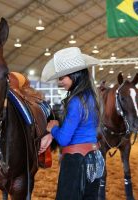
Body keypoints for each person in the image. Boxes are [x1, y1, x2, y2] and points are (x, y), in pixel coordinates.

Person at [39, 47, 104, 200]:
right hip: (95, 158)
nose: (60, 82)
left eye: (62, 78)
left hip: (76, 161)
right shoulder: (93, 97)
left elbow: (63, 139)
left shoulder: (75, 101)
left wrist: (53, 128)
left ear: (74, 76)